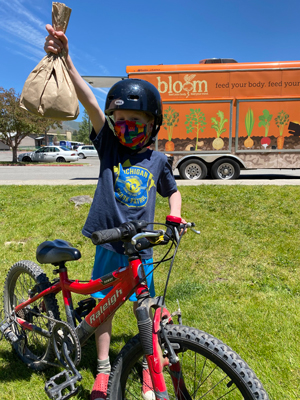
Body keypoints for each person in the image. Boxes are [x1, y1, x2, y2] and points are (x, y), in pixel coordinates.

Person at [44, 24, 184, 400]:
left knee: (147, 307)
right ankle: (104, 368)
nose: (127, 128)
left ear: (153, 126)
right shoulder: (109, 145)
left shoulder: (157, 159)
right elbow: (90, 101)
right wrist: (67, 59)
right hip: (108, 242)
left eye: (136, 123)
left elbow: (173, 193)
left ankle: (150, 368)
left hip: (143, 248)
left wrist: (174, 216)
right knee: (104, 308)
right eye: (120, 121)